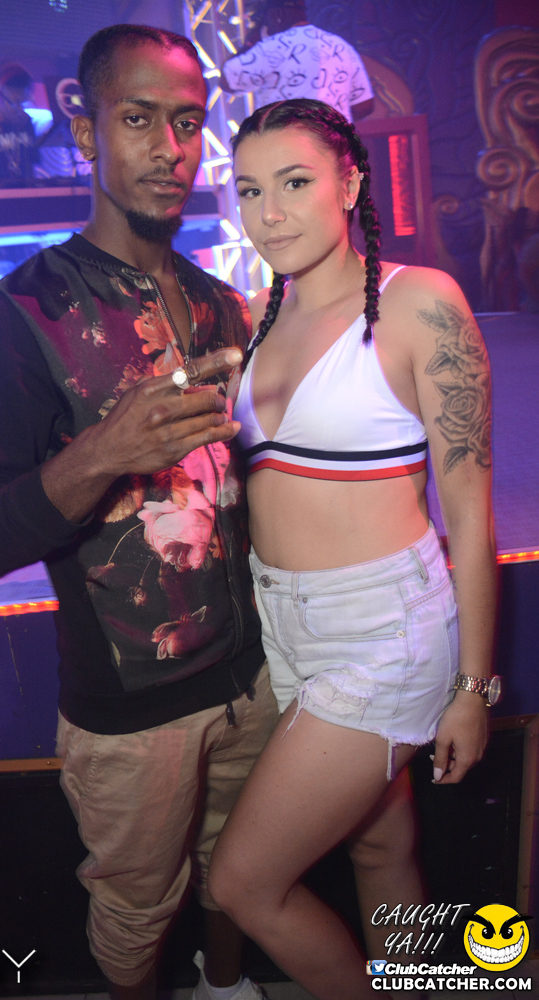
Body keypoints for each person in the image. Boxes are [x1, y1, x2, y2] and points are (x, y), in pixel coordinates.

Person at [0, 25, 278, 1000]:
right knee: (136, 912)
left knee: (240, 875)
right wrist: (101, 453)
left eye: (186, 122)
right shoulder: (22, 313)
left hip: (253, 677)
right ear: (87, 131)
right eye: (137, 119)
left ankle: (225, 988)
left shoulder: (222, 304)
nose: (169, 149)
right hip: (131, 712)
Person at [208, 99, 497, 1000]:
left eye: (294, 183)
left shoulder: (419, 301)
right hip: (286, 624)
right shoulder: (260, 315)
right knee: (378, 844)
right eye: (248, 190)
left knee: (243, 884)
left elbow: (470, 516)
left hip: (383, 630)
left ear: (349, 183)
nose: (269, 214)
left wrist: (472, 689)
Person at [221, 0, 374, 121]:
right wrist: (329, 123)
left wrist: (251, 40)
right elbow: (364, 106)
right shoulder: (341, 47)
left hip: (286, 144)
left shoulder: (273, 47)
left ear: (276, 15)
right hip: (333, 145)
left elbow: (228, 82)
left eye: (264, 20)